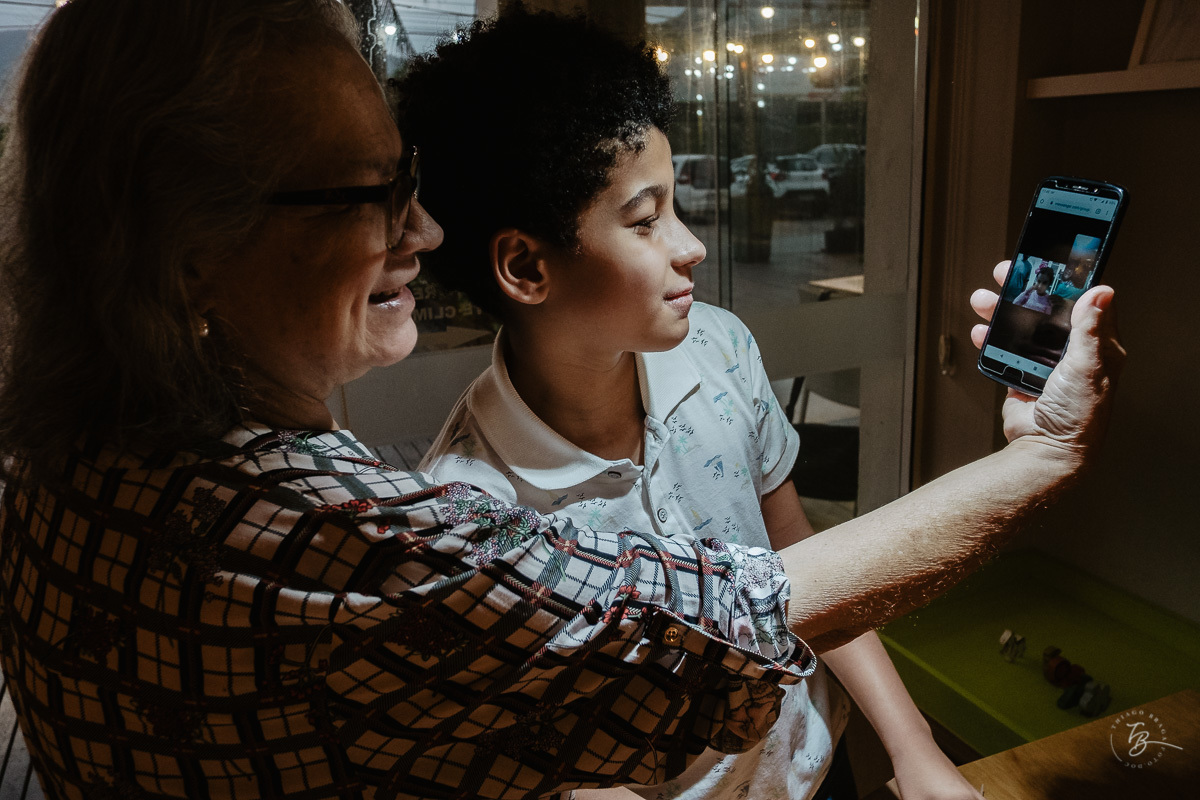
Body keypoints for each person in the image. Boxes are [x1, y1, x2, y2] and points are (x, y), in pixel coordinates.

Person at [0, 2, 1123, 799]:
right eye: (372, 193)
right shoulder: (372, 523)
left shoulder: (73, 464)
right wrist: (1036, 460)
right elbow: (709, 629)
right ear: (192, 247)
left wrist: (908, 745)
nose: (421, 230)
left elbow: (786, 557)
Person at [401, 12, 977, 800]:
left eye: (673, 206)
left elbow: (799, 563)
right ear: (526, 266)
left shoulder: (720, 348)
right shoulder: (473, 507)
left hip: (812, 760)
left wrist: (916, 752)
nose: (690, 244)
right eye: (645, 220)